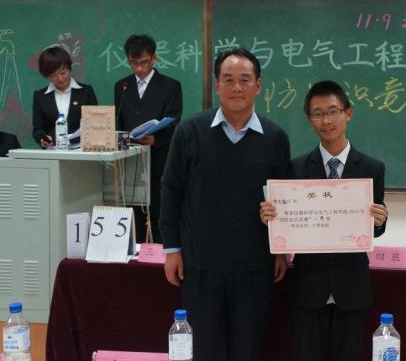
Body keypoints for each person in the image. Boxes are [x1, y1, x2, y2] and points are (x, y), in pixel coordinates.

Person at [160, 47, 289, 360]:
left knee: (249, 347)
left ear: (258, 86)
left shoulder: (275, 137)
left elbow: (284, 198)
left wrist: (281, 249)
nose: (237, 87)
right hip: (200, 264)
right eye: (228, 79)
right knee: (205, 348)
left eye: (245, 79)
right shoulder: (189, 131)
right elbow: (171, 190)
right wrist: (172, 249)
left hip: (254, 265)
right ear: (217, 85)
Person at [260, 80, 388, 361]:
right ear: (310, 119)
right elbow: (287, 223)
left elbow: (375, 230)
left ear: (348, 113)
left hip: (351, 285)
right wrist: (271, 218)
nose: (326, 120)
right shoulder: (295, 169)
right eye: (318, 114)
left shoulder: (371, 169)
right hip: (308, 285)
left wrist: (379, 219)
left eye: (333, 111)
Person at [114, 34, 182, 243]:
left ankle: (162, 256)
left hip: (159, 160)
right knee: (133, 215)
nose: (139, 69)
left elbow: (174, 122)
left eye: (144, 63)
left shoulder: (170, 86)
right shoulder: (122, 86)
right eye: (133, 63)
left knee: (160, 214)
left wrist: (156, 139)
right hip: (129, 160)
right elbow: (117, 120)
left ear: (154, 58)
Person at [32, 45, 98, 148]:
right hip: (53, 151)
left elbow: (96, 123)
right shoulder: (40, 96)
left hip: (82, 151)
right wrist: (43, 139)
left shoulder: (86, 92)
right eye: (53, 75)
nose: (60, 78)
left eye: (63, 72)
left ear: (69, 67)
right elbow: (38, 129)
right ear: (47, 76)